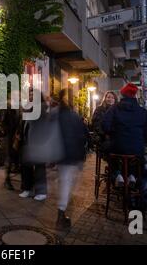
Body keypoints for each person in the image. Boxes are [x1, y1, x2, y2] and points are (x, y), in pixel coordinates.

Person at [102, 83, 147, 188]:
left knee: (106, 149)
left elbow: (105, 125)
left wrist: (113, 132)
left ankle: (117, 174)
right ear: (135, 95)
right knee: (137, 157)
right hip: (137, 147)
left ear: (122, 95)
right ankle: (132, 175)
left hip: (118, 146)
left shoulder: (114, 108)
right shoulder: (143, 112)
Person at [55, 90, 89, 229]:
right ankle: (60, 216)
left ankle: (61, 213)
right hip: (69, 155)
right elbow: (83, 135)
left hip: (62, 154)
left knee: (65, 182)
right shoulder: (73, 115)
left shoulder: (57, 115)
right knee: (66, 183)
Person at [19, 91, 48, 202]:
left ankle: (41, 192)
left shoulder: (41, 108)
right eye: (29, 95)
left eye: (33, 95)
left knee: (39, 167)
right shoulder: (29, 108)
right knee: (26, 166)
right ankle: (27, 189)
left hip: (38, 141)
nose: (30, 96)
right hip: (27, 141)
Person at [1, 93, 21, 191]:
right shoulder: (7, 106)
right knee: (9, 157)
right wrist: (8, 133)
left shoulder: (19, 107)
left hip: (17, 135)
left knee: (16, 156)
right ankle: (7, 180)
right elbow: (3, 121)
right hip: (9, 135)